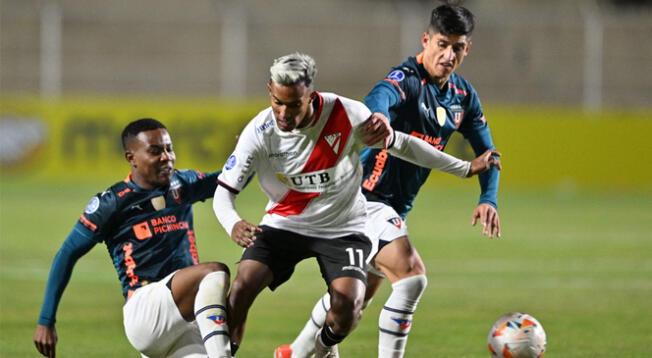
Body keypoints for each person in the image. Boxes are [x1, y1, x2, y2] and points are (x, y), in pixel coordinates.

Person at [213, 53, 498, 358]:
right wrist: (233, 223)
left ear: (311, 95)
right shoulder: (258, 132)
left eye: (294, 104)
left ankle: (319, 349)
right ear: (270, 90)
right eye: (277, 103)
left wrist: (464, 168)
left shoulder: (346, 113)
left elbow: (401, 144)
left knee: (349, 307)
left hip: (343, 227)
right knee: (243, 286)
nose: (284, 114)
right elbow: (223, 193)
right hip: (285, 223)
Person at [275, 4, 502, 358]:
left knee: (351, 304)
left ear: (466, 49)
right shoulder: (407, 79)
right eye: (441, 44)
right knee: (411, 276)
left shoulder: (463, 97)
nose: (448, 54)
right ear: (426, 39)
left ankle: (297, 352)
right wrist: (378, 115)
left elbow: (489, 156)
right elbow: (381, 95)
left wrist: (489, 198)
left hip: (392, 206)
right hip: (363, 197)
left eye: (457, 47)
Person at [33, 118, 232, 358]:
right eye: (155, 151)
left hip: (180, 319)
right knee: (213, 273)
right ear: (131, 158)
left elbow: (230, 180)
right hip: (146, 309)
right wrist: (46, 320)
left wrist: (248, 154)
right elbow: (67, 254)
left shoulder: (183, 184)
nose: (166, 157)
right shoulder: (113, 202)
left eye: (169, 149)